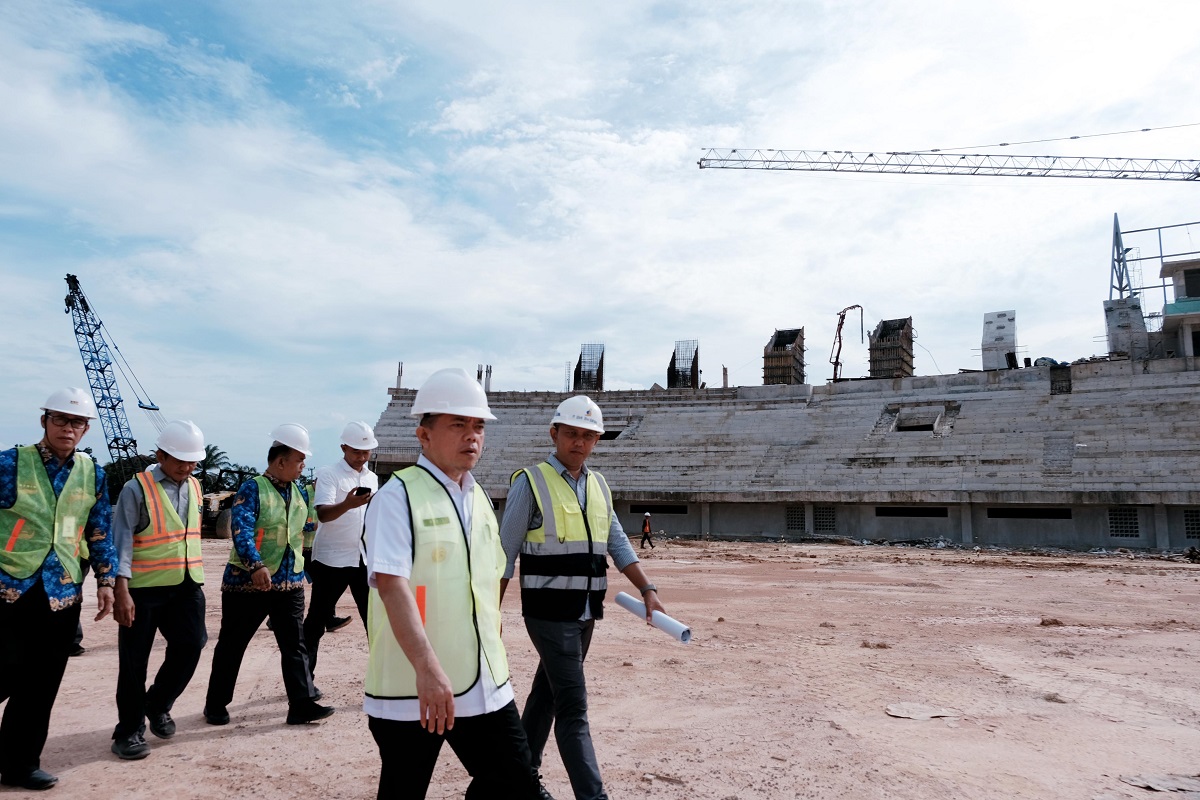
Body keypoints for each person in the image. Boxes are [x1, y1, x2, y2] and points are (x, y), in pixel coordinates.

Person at [363, 368, 550, 800]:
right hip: (415, 688)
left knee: (518, 785)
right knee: (403, 791)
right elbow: (393, 586)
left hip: (484, 683)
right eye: (458, 424)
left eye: (478, 425)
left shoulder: (481, 499)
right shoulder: (397, 497)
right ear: (423, 435)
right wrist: (427, 670)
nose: (472, 436)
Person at [500, 395, 666, 800]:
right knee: (573, 710)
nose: (579, 442)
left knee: (546, 696)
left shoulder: (598, 485)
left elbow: (617, 541)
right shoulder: (531, 482)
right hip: (547, 613)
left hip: (586, 612)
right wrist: (489, 613)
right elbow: (503, 553)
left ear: (596, 441)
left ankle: (511, 781)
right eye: (571, 433)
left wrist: (647, 588)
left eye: (587, 436)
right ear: (554, 433)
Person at [0, 388, 117, 790]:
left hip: (61, 590)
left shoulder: (93, 473)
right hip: (9, 587)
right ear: (44, 421)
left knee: (41, 683)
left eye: (77, 422)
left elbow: (98, 530)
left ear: (86, 429)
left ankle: (19, 765)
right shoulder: (10, 463)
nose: (68, 428)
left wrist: (105, 579)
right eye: (60, 420)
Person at [203, 423, 332, 727]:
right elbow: (241, 529)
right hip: (248, 583)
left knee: (295, 645)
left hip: (289, 581)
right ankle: (216, 704)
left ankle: (300, 704)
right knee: (233, 644)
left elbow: (301, 527)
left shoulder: (299, 492)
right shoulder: (253, 487)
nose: (302, 466)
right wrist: (255, 564)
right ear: (279, 461)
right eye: (299, 460)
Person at [109, 421, 210, 760]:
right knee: (134, 662)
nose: (187, 467)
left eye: (192, 461)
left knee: (192, 644)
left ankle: (157, 704)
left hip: (186, 585)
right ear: (161, 455)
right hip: (143, 589)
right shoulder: (136, 489)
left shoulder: (195, 486)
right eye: (180, 460)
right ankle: (129, 731)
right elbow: (120, 539)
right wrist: (120, 587)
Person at [302, 420, 378, 688]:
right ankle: (304, 683)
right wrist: (347, 504)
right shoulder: (329, 474)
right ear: (343, 447)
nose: (361, 456)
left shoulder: (372, 478)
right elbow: (323, 513)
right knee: (315, 623)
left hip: (362, 559)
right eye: (357, 450)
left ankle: (383, 682)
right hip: (331, 560)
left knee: (375, 623)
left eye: (366, 451)